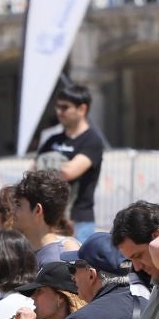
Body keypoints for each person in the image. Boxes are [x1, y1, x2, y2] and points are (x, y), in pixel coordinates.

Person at [37, 82, 105, 240]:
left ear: (82, 109)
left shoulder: (92, 140)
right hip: (51, 218)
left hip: (78, 219)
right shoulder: (53, 140)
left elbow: (69, 172)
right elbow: (34, 169)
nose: (59, 112)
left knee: (76, 263)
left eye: (65, 107)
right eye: (57, 107)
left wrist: (47, 165)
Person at [11, 168, 75, 266]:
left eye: (19, 205)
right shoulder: (21, 253)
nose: (13, 210)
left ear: (37, 211)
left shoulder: (53, 264)